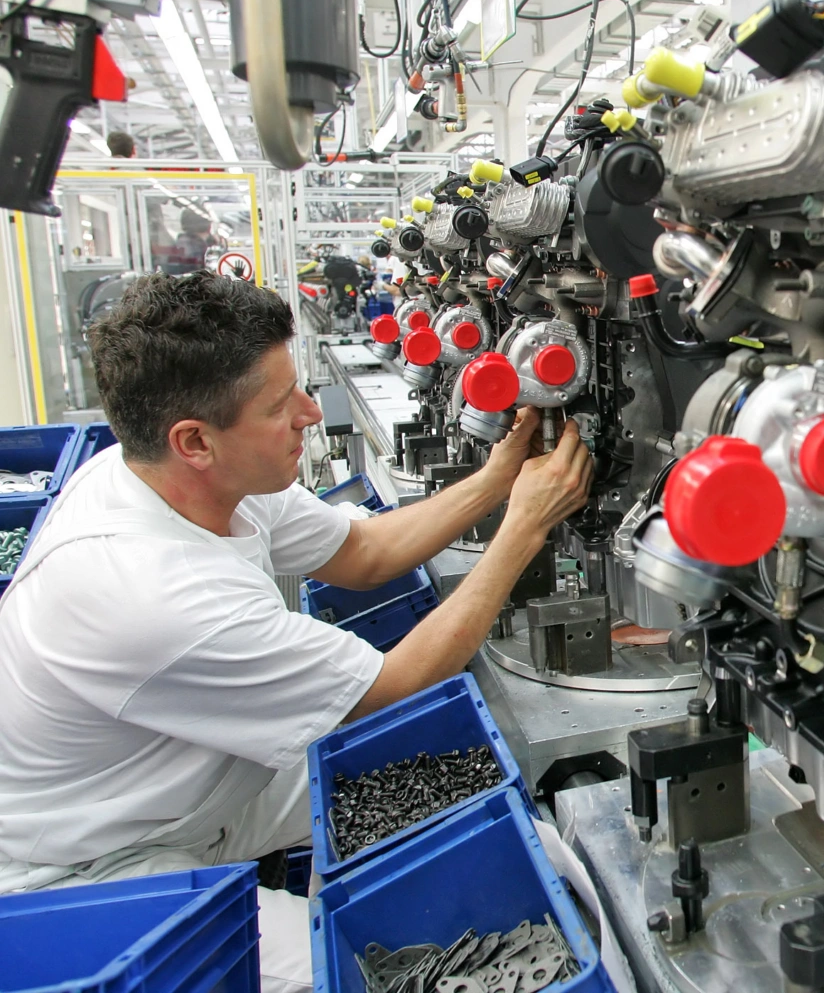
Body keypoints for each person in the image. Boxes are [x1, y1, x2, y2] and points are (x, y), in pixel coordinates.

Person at [0, 272, 592, 993]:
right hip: (90, 863)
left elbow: (365, 552)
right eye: (281, 405)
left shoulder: (184, 480)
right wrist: (525, 527)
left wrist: (498, 479)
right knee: (345, 973)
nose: (310, 413)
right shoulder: (153, 593)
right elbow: (393, 686)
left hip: (185, 780)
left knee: (448, 792)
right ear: (195, 440)